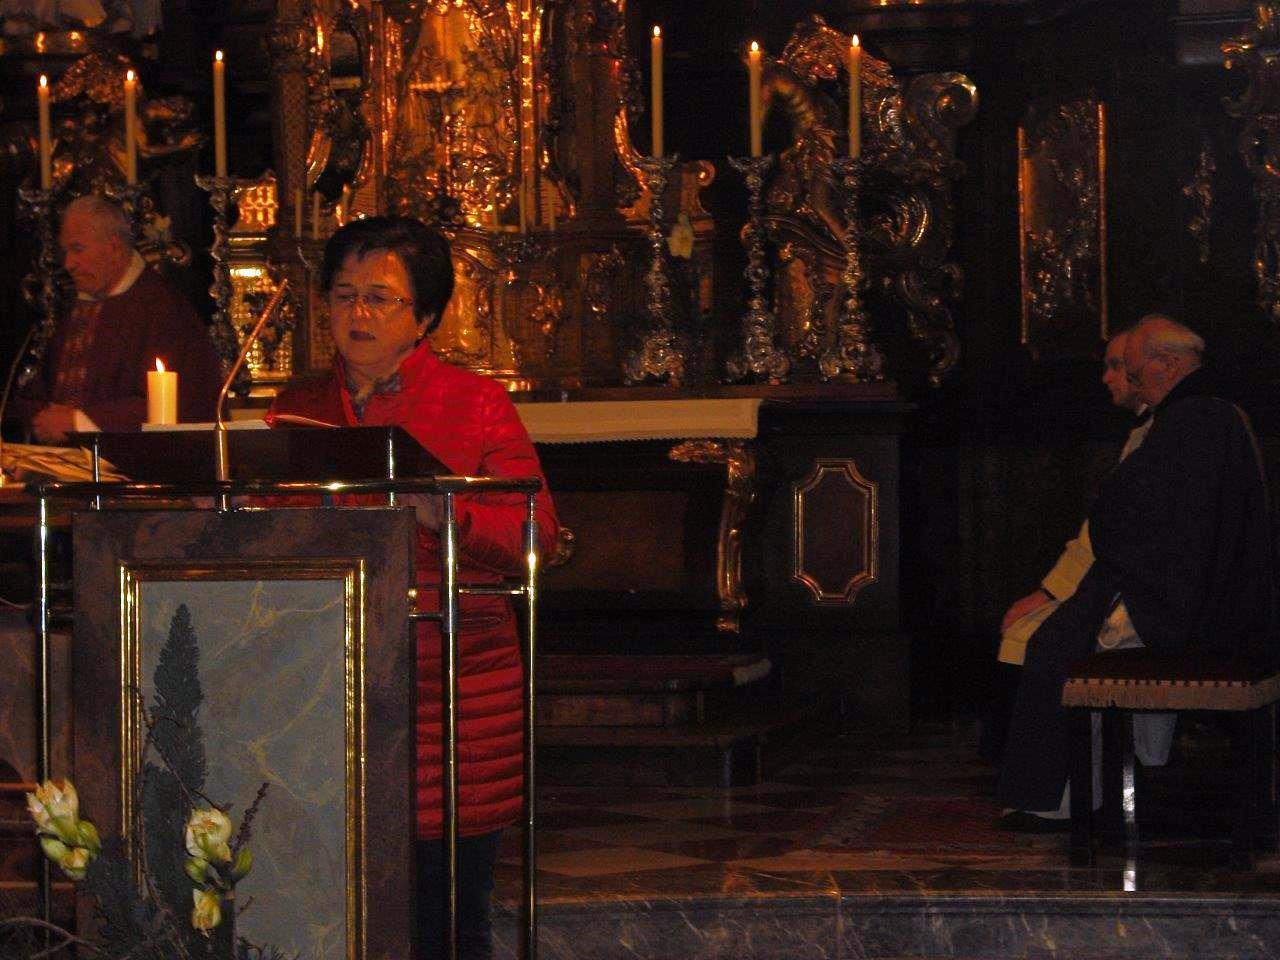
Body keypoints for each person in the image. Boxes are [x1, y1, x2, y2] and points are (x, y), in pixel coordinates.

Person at [265, 216, 559, 960]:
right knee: (333, 916)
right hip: (327, 691)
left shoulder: (477, 404)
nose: (357, 314)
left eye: (380, 297)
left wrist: (447, 512)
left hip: (452, 703)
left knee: (445, 923)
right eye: (343, 295)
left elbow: (537, 538)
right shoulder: (297, 409)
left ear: (424, 317)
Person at [996, 314, 1274, 829]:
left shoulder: (1193, 419)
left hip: (1190, 603)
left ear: (1167, 363)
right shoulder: (1211, 413)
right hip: (1209, 592)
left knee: (1062, 645)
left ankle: (1058, 801)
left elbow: (1134, 514)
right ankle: (1106, 782)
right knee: (1066, 632)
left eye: (1134, 367)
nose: (1129, 378)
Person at [10, 194, 222, 441]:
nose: (68, 264)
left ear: (113, 247)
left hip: (132, 461)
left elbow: (179, 403)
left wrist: (79, 422)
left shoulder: (161, 309)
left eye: (77, 249)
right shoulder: (75, 308)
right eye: (65, 252)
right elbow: (40, 394)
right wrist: (39, 416)